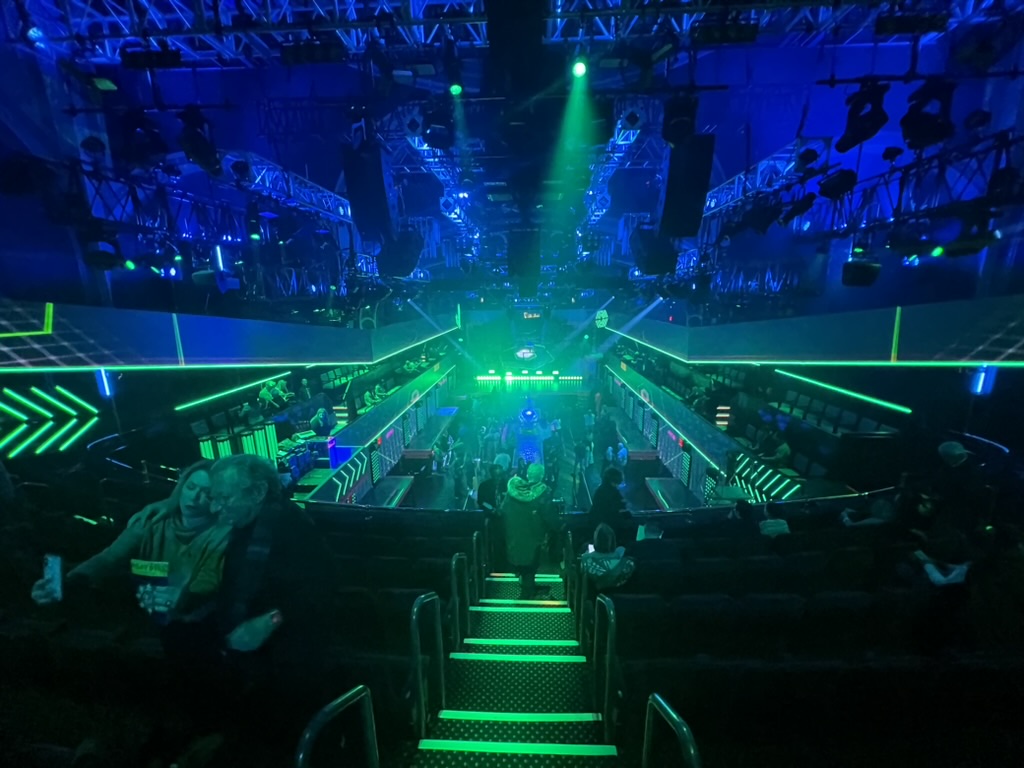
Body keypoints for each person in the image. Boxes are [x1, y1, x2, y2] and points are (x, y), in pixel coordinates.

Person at [161, 455, 334, 762]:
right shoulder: (247, 523)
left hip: (288, 648)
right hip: (245, 635)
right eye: (215, 499)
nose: (216, 508)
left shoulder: (294, 530)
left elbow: (317, 592)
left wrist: (268, 622)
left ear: (257, 492)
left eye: (225, 498)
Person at [31, 461, 229, 621]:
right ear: (181, 487)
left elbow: (208, 581)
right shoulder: (151, 520)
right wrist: (71, 581)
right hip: (144, 608)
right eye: (191, 487)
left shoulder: (225, 531)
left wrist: (184, 596)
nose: (194, 497)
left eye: (206, 493)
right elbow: (109, 558)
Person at [500, 463, 555, 599]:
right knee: (531, 562)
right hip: (533, 535)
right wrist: (559, 526)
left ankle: (527, 586)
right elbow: (549, 516)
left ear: (527, 474)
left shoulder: (512, 490)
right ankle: (527, 592)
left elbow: (502, 510)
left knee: (522, 561)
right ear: (542, 475)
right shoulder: (543, 493)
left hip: (514, 534)